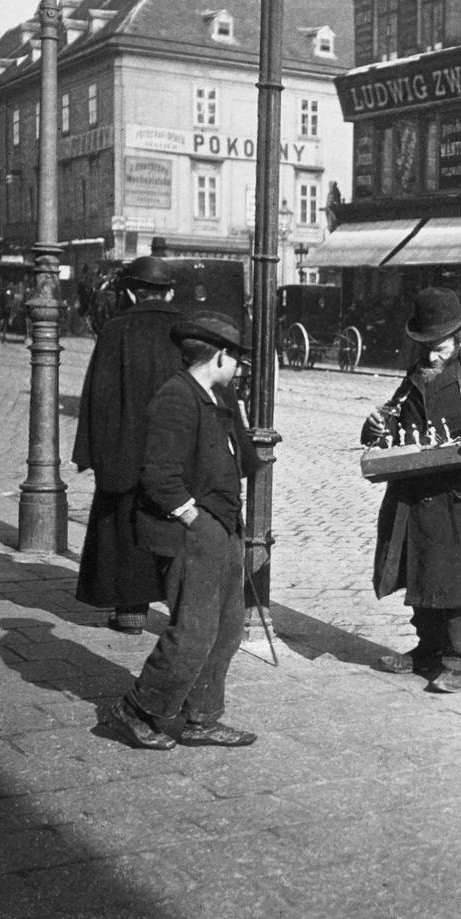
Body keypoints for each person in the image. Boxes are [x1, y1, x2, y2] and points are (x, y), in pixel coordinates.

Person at [103, 310, 262, 750]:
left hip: (223, 527)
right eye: (237, 360)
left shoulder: (217, 399)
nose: (241, 368)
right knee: (193, 632)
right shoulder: (176, 396)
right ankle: (136, 708)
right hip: (193, 532)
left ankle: (202, 718)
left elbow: (240, 462)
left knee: (227, 628)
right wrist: (192, 518)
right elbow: (158, 474)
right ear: (219, 357)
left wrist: (242, 420)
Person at [362, 288, 461, 694]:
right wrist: (375, 428)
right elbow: (395, 428)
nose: (431, 355)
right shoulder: (415, 373)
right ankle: (427, 649)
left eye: (439, 347)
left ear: (460, 337)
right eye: (425, 347)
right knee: (421, 568)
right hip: (417, 491)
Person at [72, 256, 185, 635]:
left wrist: (90, 453)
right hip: (177, 454)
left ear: (133, 293)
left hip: (125, 452)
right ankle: (183, 611)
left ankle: (132, 613)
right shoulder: (187, 330)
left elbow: (97, 397)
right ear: (169, 292)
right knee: (175, 529)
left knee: (125, 530)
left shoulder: (115, 330)